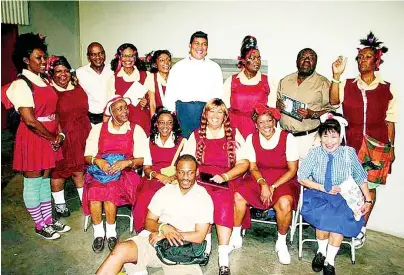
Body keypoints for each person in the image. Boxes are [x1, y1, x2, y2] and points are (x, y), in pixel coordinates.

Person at [329, 32, 397, 249]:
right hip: (351, 143)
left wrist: (391, 148)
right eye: (359, 58)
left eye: (367, 57)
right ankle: (344, 224)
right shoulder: (348, 84)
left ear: (376, 61)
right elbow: (333, 101)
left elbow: (390, 121)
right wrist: (336, 76)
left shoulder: (387, 88)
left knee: (370, 188)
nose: (362, 61)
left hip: (377, 146)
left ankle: (360, 229)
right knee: (347, 185)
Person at [96, 154, 214, 275]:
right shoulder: (165, 191)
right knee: (121, 249)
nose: (185, 177)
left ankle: (136, 269)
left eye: (190, 172)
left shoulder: (203, 198)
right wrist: (163, 227)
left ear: (197, 172)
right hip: (155, 242)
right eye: (181, 172)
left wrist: (165, 235)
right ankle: (137, 268)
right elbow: (149, 221)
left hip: (184, 251)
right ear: (176, 172)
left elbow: (199, 236)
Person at [4, 33, 68, 240]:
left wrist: (58, 133)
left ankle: (49, 220)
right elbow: (30, 120)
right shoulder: (21, 84)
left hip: (50, 135)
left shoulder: (43, 81)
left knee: (43, 181)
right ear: (25, 60)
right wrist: (51, 137)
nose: (44, 62)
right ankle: (40, 225)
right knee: (32, 183)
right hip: (34, 137)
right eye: (38, 58)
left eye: (44, 57)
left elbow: (54, 110)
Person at [298, 113, 372, 275]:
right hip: (318, 194)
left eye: (333, 136)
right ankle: (321, 252)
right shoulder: (314, 153)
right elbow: (301, 177)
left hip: (343, 197)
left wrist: (368, 199)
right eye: (325, 136)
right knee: (324, 220)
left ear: (341, 136)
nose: (329, 141)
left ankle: (329, 261)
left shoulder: (349, 153)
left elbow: (361, 177)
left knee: (338, 223)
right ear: (320, 137)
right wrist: (322, 188)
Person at [182, 98, 249, 275]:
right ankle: (206, 242)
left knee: (224, 202)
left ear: (225, 115)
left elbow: (244, 163)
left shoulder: (234, 134)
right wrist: (194, 173)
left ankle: (223, 255)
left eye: (220, 112)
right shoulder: (196, 135)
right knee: (199, 198)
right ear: (205, 114)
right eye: (211, 111)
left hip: (227, 178)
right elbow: (186, 160)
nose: (215, 115)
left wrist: (225, 176)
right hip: (202, 179)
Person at [232, 103, 299, 265]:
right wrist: (262, 183)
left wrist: (273, 187)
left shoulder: (287, 138)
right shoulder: (251, 138)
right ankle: (235, 235)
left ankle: (281, 242)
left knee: (284, 203)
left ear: (274, 121)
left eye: (269, 121)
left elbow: (292, 170)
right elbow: (253, 167)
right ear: (256, 125)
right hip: (259, 176)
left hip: (283, 179)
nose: (266, 125)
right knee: (238, 195)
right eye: (261, 122)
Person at [82, 95, 148, 253]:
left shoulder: (135, 129)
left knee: (111, 190)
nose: (125, 111)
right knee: (94, 191)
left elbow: (141, 159)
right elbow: (87, 156)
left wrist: (126, 163)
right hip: (100, 170)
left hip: (125, 172)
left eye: (126, 108)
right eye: (120, 109)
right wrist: (99, 162)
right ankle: (98, 233)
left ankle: (111, 232)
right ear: (111, 112)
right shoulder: (98, 129)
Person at [46, 56, 91, 218]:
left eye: (65, 70)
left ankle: (84, 201)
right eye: (58, 71)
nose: (63, 74)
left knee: (80, 169)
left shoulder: (77, 85)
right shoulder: (49, 90)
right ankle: (60, 204)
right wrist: (56, 135)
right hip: (62, 135)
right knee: (60, 171)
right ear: (51, 73)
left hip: (81, 133)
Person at [133, 106, 185, 233]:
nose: (165, 126)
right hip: (154, 177)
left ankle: (170, 230)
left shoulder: (182, 142)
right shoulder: (149, 141)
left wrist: (174, 177)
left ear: (174, 125)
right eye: (162, 122)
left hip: (175, 178)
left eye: (169, 123)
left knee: (174, 197)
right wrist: (159, 176)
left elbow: (186, 166)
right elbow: (146, 168)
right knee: (145, 196)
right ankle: (145, 230)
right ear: (156, 124)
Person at [277, 48, 335, 159]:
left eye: (311, 58)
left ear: (316, 63)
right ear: (297, 61)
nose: (307, 60)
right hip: (285, 137)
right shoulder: (284, 81)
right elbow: (277, 106)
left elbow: (331, 110)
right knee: (287, 172)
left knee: (307, 174)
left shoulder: (323, 82)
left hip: (308, 138)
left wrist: (312, 114)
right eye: (303, 57)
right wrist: (278, 105)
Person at [164, 31, 224, 138]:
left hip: (206, 112)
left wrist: (214, 114)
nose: (200, 47)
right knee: (184, 146)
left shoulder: (214, 68)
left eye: (204, 44)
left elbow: (218, 95)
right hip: (183, 112)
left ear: (207, 47)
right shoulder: (178, 67)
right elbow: (170, 95)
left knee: (204, 145)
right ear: (190, 45)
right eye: (196, 43)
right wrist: (173, 117)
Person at [223, 35, 276, 138]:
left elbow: (272, 112)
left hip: (259, 130)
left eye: (258, 58)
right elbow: (224, 110)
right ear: (243, 60)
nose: (257, 61)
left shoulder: (267, 81)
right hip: (235, 129)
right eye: (252, 58)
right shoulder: (231, 81)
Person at [107, 43, 155, 135]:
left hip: (142, 122)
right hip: (123, 124)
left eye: (131, 56)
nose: (128, 59)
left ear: (135, 57)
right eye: (124, 56)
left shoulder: (146, 75)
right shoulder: (113, 79)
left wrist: (146, 103)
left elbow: (153, 102)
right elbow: (110, 105)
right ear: (119, 58)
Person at [76, 42, 114, 125]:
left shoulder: (113, 70)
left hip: (112, 117)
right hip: (91, 120)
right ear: (88, 57)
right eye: (93, 54)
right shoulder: (80, 73)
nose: (98, 57)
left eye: (101, 54)